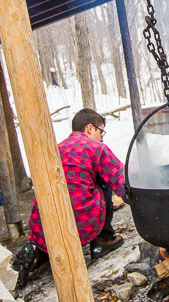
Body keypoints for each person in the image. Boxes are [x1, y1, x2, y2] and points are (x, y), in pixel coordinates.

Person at [13, 108, 126, 290]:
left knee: (60, 192)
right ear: (90, 128)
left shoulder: (55, 149)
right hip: (81, 220)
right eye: (101, 131)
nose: (102, 138)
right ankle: (103, 240)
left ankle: (37, 251)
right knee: (103, 181)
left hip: (45, 223)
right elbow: (121, 179)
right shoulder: (96, 148)